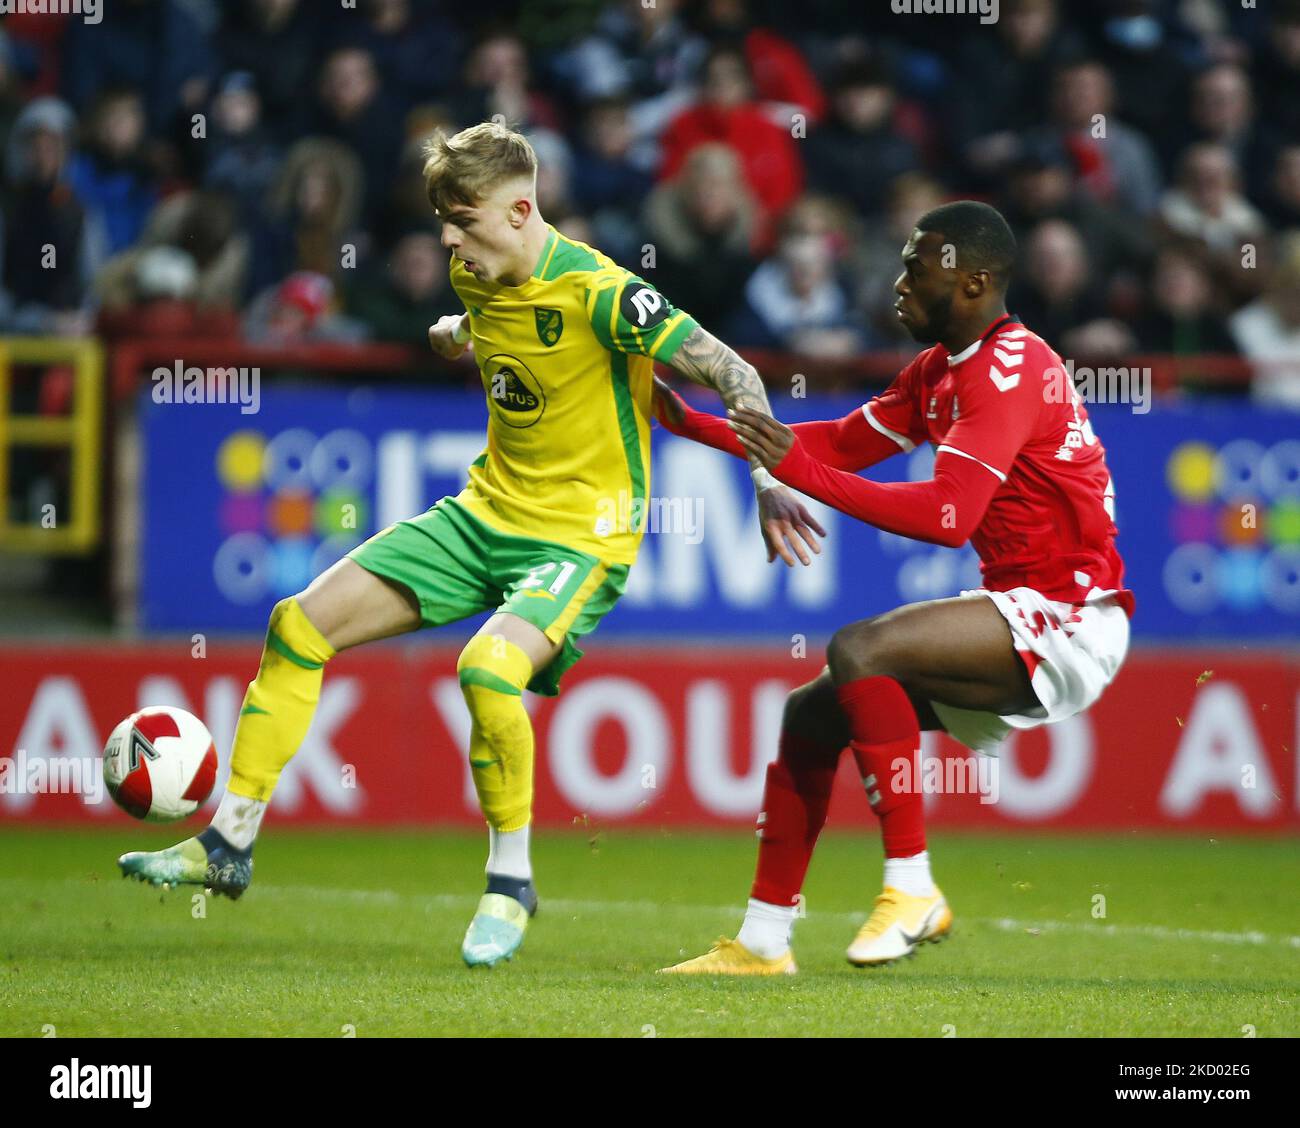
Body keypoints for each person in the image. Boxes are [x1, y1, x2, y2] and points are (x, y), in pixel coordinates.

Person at [117, 121, 824, 969]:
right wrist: (461, 331)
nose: (449, 238)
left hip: (582, 535)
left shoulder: (604, 293)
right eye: (443, 222)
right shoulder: (472, 270)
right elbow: (499, 322)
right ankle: (229, 842)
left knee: (486, 671)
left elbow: (733, 371)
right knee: (297, 624)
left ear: (522, 209)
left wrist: (768, 478)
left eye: (464, 220)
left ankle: (510, 882)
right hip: (484, 512)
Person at [656, 201, 1134, 974]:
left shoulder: (1012, 370)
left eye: (919, 266)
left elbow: (949, 514)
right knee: (811, 715)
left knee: (860, 649)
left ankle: (911, 886)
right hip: (1024, 610)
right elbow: (840, 444)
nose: (899, 282)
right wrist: (690, 422)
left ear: (975, 280)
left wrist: (798, 473)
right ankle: (762, 942)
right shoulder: (939, 369)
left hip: (1069, 616)